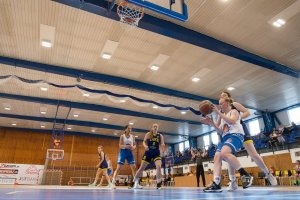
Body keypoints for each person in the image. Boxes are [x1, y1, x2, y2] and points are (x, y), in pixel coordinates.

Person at [203, 91, 277, 190]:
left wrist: (237, 118)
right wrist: (211, 122)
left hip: (239, 131)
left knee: (253, 155)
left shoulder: (234, 106)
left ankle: (268, 174)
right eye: (220, 97)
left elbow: (247, 112)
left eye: (224, 96)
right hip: (227, 132)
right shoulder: (221, 112)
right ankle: (232, 181)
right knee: (227, 155)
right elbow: (219, 128)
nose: (222, 98)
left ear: (228, 99)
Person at [203, 97, 253, 192]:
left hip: (236, 135)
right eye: (219, 104)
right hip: (226, 138)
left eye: (221, 103)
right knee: (217, 156)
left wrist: (218, 112)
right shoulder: (222, 118)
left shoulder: (234, 111)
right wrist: (212, 123)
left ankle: (245, 174)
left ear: (227, 103)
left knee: (224, 153)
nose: (220, 106)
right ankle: (216, 183)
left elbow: (232, 121)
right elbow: (220, 131)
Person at [132, 123, 165, 189]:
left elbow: (162, 144)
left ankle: (159, 183)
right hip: (148, 153)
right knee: (141, 168)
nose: (155, 128)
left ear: (157, 128)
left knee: (158, 166)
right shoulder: (148, 134)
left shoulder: (160, 135)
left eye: (156, 127)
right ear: (152, 128)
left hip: (156, 153)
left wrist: (162, 151)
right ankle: (133, 182)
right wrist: (145, 146)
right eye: (154, 126)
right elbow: (143, 142)